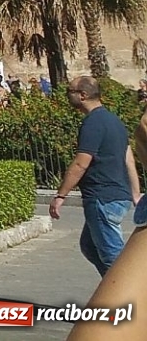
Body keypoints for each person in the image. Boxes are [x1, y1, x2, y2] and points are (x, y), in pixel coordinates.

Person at [51, 76, 140, 275]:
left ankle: (127, 298)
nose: (67, 95)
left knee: (113, 259)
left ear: (83, 95)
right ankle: (112, 293)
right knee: (90, 247)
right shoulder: (114, 121)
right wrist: (135, 193)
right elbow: (128, 158)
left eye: (69, 91)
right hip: (117, 196)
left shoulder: (93, 123)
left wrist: (60, 196)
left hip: (102, 198)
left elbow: (81, 163)